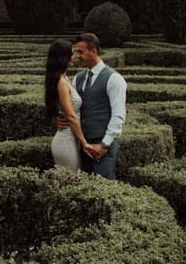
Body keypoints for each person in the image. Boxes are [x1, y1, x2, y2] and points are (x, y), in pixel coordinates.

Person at [57, 32, 127, 180]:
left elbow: (118, 115)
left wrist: (104, 145)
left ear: (94, 51)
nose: (77, 56)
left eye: (81, 52)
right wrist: (56, 118)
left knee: (105, 186)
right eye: (76, 52)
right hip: (81, 144)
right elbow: (67, 105)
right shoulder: (78, 78)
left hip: (101, 144)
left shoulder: (114, 79)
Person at [44, 40, 91, 170]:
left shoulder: (64, 79)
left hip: (71, 139)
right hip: (66, 142)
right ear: (62, 58)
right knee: (70, 181)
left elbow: (55, 105)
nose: (75, 56)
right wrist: (84, 143)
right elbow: (70, 115)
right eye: (72, 54)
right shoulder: (61, 82)